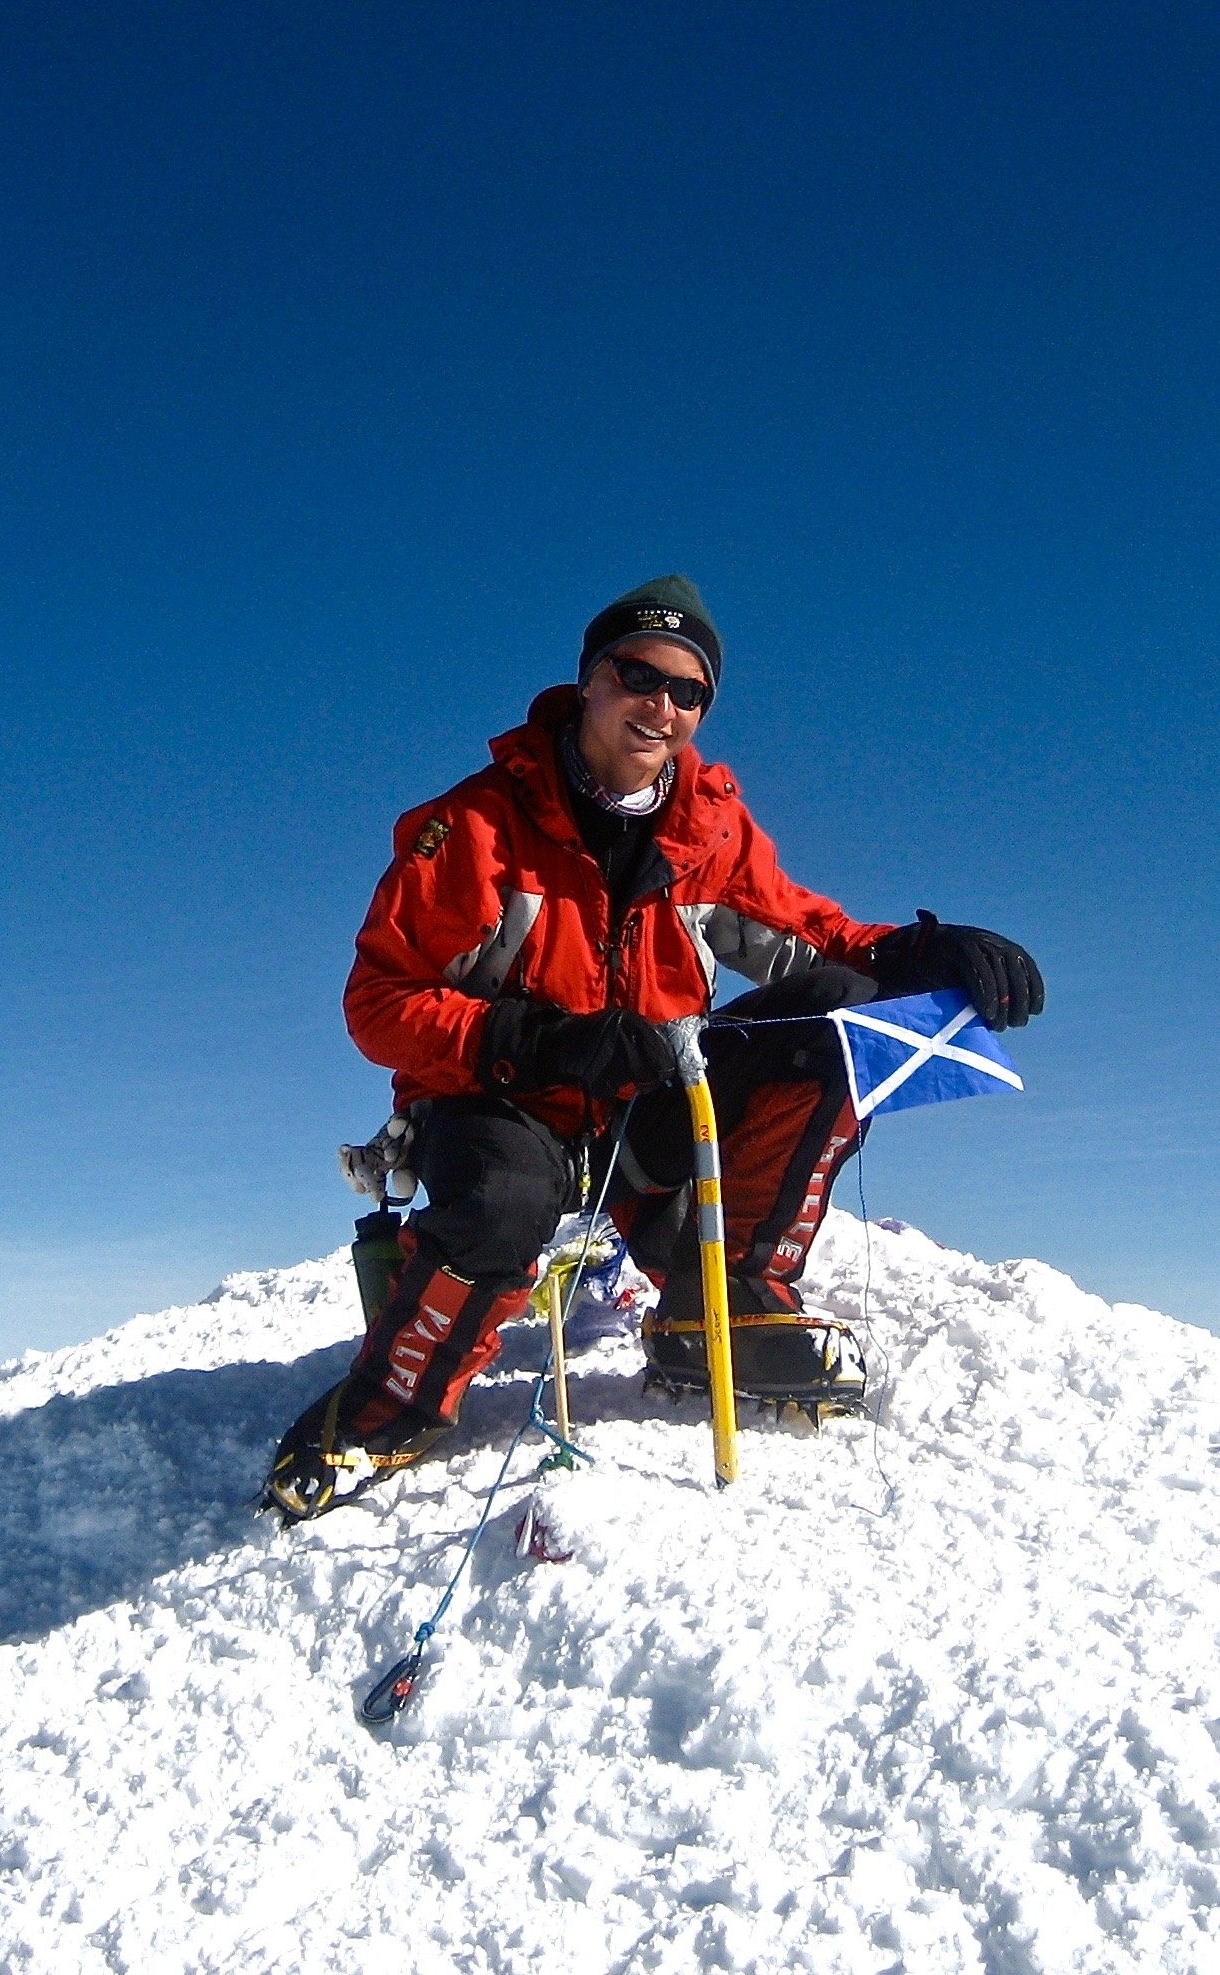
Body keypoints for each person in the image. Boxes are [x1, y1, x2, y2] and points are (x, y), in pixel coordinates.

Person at [264, 576, 1043, 1521]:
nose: (662, 706)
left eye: (689, 691)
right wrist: (537, 1040)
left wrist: (928, 948)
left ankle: (719, 1302)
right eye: (639, 675)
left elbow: (813, 937)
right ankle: (389, 1404)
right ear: (589, 681)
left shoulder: (708, 831)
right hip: (506, 1100)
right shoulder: (474, 827)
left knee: (836, 1016)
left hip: (651, 1105)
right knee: (503, 1198)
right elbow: (377, 1002)